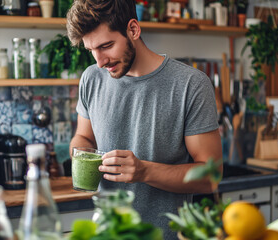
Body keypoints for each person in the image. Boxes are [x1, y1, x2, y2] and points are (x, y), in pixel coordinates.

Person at [66, 0, 222, 238]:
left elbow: (210, 177)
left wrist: (143, 171)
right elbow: (83, 136)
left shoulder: (191, 85)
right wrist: (81, 154)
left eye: (106, 46)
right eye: (91, 50)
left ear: (133, 30)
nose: (100, 61)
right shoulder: (91, 79)